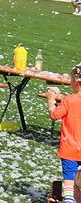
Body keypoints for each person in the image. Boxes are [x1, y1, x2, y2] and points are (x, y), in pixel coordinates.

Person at [46, 64, 81, 203]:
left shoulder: (69, 99)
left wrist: (51, 99)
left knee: (69, 179)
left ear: (76, 81)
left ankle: (68, 200)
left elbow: (55, 115)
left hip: (69, 148)